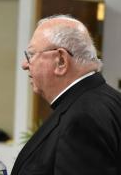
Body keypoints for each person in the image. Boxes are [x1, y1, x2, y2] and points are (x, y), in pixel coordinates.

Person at [11, 15, 121, 175]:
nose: (25, 65)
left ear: (61, 61)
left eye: (31, 55)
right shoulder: (107, 99)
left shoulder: (82, 120)